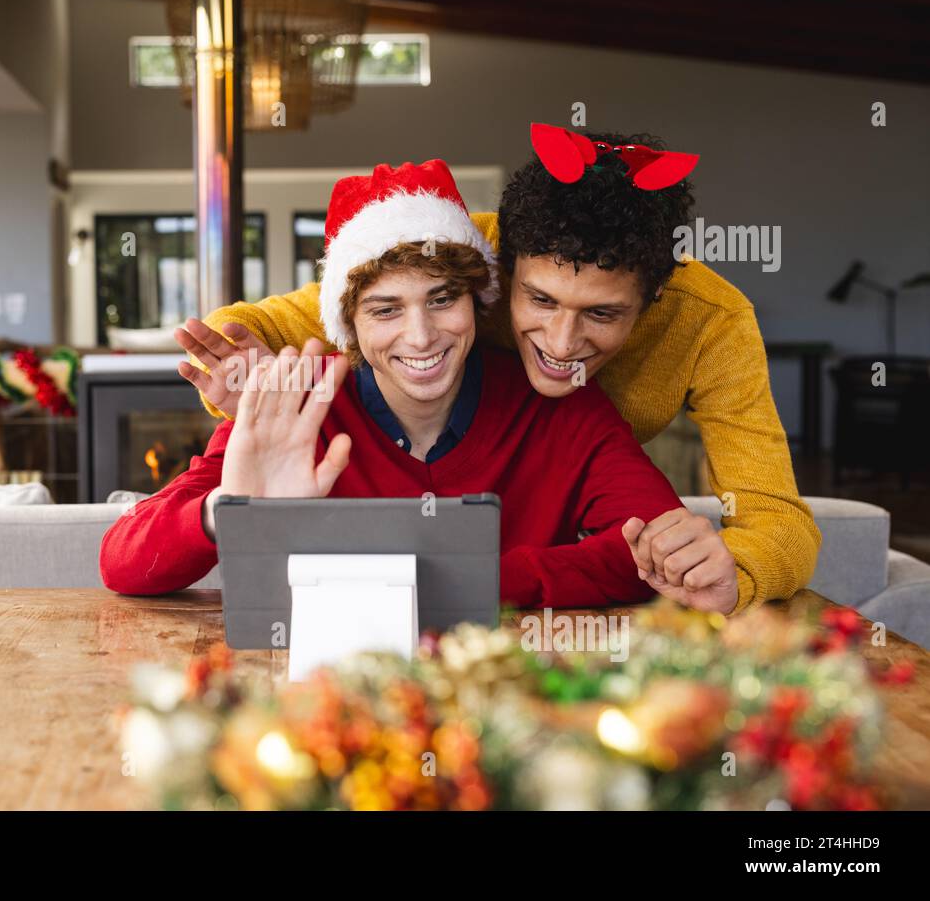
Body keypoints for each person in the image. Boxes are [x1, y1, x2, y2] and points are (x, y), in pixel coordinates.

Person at [174, 125, 820, 615]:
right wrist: (244, 378)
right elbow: (272, 321)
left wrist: (734, 568)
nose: (563, 343)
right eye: (539, 300)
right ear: (500, 273)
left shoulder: (710, 320)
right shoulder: (451, 263)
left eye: (602, 312)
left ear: (652, 301)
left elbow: (776, 517)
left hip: (576, 508)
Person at [102, 159, 700, 609]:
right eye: (386, 310)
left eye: (442, 300)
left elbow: (651, 551)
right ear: (350, 328)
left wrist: (443, 578)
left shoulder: (562, 408)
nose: (420, 337)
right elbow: (122, 562)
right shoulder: (296, 409)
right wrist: (227, 512)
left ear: (477, 303)